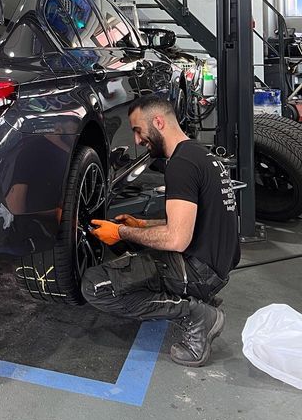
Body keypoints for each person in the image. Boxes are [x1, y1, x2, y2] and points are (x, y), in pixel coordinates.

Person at [81, 95, 240, 367]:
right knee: (130, 244)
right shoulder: (201, 155)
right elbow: (193, 221)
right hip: (217, 267)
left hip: (197, 270)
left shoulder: (181, 165)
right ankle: (199, 297)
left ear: (158, 122)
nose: (137, 141)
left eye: (138, 130)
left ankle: (195, 314)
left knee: (95, 287)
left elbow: (177, 239)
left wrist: (119, 233)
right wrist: (141, 225)